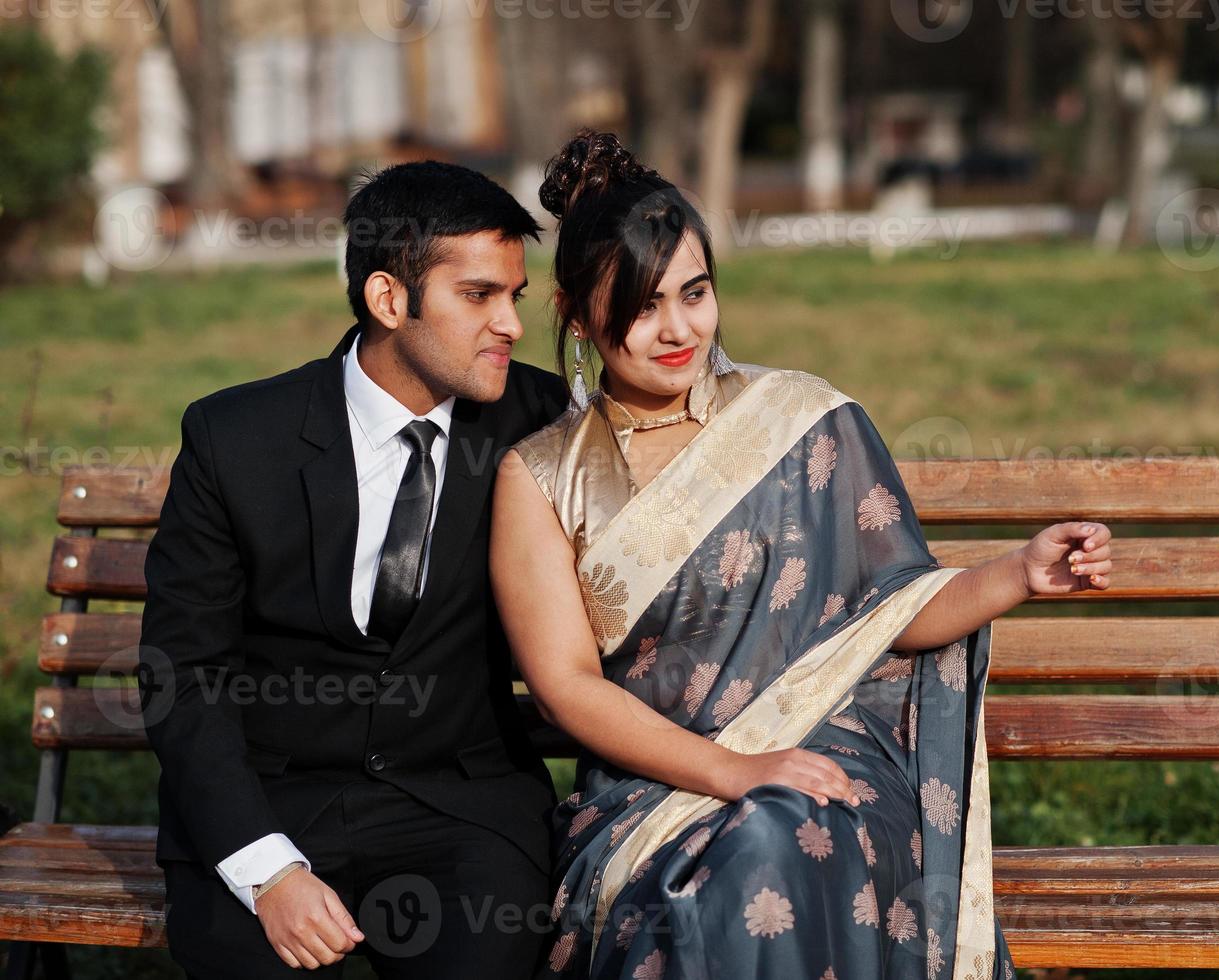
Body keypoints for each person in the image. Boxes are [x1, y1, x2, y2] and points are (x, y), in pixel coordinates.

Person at [491, 130, 1114, 980]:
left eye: (695, 293)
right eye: (640, 306)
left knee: (779, 832)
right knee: (741, 855)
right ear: (575, 314)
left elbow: (891, 610)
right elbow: (566, 687)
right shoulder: (541, 478)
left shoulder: (799, 418)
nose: (677, 329)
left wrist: (1019, 573)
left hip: (829, 757)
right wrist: (731, 769)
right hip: (655, 787)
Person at [141, 161, 566, 977]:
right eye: (479, 296)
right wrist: (268, 871)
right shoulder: (236, 438)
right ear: (387, 299)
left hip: (461, 812)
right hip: (270, 808)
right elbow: (182, 674)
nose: (511, 323)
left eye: (515, 295)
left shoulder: (543, 423)